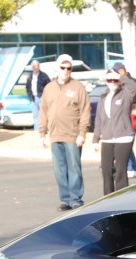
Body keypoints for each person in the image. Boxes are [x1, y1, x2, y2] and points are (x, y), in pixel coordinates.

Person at [38, 53, 90, 211]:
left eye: (69, 68)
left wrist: (82, 133)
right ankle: (65, 199)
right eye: (63, 67)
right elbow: (43, 111)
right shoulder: (49, 88)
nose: (66, 71)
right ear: (57, 68)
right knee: (59, 169)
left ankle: (76, 198)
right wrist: (42, 133)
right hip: (55, 135)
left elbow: (85, 111)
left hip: (72, 135)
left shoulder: (78, 87)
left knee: (74, 167)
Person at [92, 70, 136, 195]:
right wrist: (96, 139)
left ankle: (121, 198)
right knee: (106, 170)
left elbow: (134, 87)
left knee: (121, 171)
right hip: (107, 138)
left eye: (115, 80)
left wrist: (120, 76)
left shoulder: (126, 94)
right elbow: (99, 119)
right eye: (109, 80)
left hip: (124, 137)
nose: (112, 82)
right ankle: (107, 198)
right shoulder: (103, 98)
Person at [111, 61, 136, 178]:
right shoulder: (115, 82)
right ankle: (121, 167)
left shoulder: (131, 82)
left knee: (126, 143)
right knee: (117, 143)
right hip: (117, 117)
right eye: (118, 72)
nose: (121, 73)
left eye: (121, 71)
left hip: (129, 117)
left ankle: (131, 168)